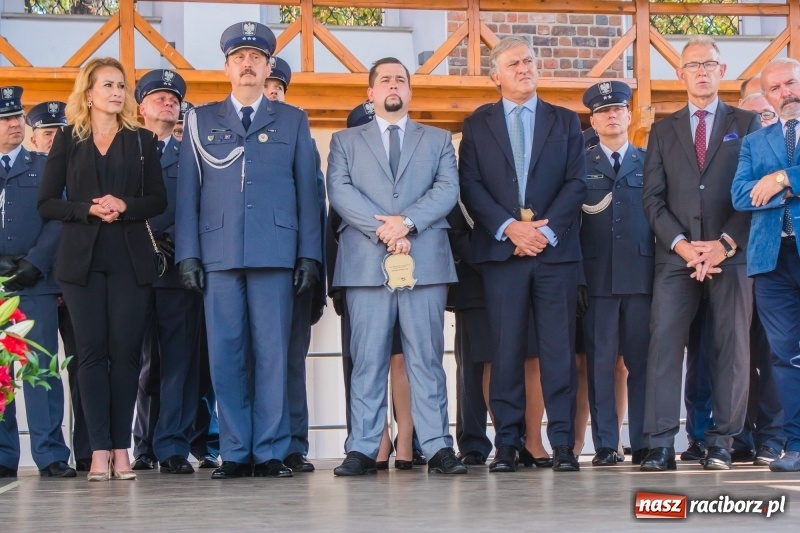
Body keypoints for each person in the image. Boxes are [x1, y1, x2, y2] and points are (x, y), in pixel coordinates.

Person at [175, 21, 321, 479]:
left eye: (256, 58)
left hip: (276, 252)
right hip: (218, 255)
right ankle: (237, 452)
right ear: (226, 67)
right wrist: (188, 254)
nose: (248, 64)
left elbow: (307, 192)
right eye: (239, 57)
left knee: (274, 354)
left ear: (268, 67)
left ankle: (272, 450)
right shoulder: (201, 120)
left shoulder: (292, 118)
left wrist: (309, 255)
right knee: (226, 353)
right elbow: (188, 194)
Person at [327, 57, 463, 476]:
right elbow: (340, 190)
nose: (393, 85)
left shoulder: (438, 139)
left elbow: (447, 189)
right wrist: (384, 230)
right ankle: (364, 448)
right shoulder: (344, 141)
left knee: (425, 357)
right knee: (367, 359)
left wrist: (406, 223)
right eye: (383, 78)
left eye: (400, 80)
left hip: (424, 261)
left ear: (409, 91)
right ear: (370, 92)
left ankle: (438, 444)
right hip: (366, 262)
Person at [459, 35, 586, 473]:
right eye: (514, 63)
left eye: (529, 61)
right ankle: (508, 444)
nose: (524, 68)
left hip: (554, 253)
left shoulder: (566, 121)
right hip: (502, 254)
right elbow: (471, 186)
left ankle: (564, 444)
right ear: (496, 76)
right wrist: (510, 228)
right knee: (506, 350)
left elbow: (576, 184)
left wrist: (542, 233)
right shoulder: (477, 125)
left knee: (557, 351)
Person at [37, 57, 168, 481]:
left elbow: (158, 201)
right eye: (107, 85)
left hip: (130, 260)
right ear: (88, 93)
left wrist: (125, 204)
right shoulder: (68, 141)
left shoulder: (143, 141)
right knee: (90, 357)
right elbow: (47, 202)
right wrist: (88, 208)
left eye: (120, 86)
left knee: (126, 356)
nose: (116, 92)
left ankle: (121, 449)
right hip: (81, 263)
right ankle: (97, 452)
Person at [640, 35, 760, 472]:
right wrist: (685, 245)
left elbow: (755, 194)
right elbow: (652, 199)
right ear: (681, 74)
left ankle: (723, 442)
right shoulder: (663, 129)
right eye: (693, 65)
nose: (702, 71)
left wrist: (725, 243)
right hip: (678, 257)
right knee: (665, 345)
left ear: (722, 71)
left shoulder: (748, 124)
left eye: (709, 63)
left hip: (732, 254)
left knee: (732, 348)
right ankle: (659, 444)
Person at [129, 69, 204, 475]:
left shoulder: (189, 153)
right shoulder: (127, 151)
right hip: (134, 271)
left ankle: (173, 444)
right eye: (158, 97)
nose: (168, 103)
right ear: (141, 107)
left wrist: (176, 238)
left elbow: (202, 204)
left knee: (179, 362)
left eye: (173, 98)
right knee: (142, 363)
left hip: (177, 271)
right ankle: (142, 444)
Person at [0, 87, 74, 479]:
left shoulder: (44, 166)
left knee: (41, 368)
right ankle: (2, 453)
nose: (14, 123)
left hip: (35, 282)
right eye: (6, 118)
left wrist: (36, 262)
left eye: (16, 117)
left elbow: (60, 217)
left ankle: (50, 453)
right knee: (0, 374)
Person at [731, 58, 800, 472]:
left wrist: (780, 180)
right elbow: (740, 196)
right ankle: (795, 444)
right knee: (783, 356)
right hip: (771, 262)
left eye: (790, 83)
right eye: (775, 89)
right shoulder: (755, 142)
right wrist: (783, 187)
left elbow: (760, 188)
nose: (785, 93)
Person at [579, 81, 652, 466]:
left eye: (618, 109)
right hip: (598, 280)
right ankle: (606, 443)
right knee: (601, 364)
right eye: (603, 111)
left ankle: (642, 441)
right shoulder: (581, 164)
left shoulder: (649, 161)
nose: (611, 116)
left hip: (641, 278)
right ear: (593, 120)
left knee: (642, 363)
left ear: (628, 115)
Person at [261, 56, 327, 473]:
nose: (271, 93)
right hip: (250, 267)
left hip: (292, 270)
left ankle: (293, 444)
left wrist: (313, 269)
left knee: (289, 362)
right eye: (267, 86)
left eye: (278, 88)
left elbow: (314, 207)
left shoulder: (297, 132)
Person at [26, 100, 93, 473]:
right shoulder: (30, 174)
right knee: (42, 369)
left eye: (60, 132)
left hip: (77, 284)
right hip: (37, 285)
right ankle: (50, 453)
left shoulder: (82, 170)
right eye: (48, 133)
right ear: (34, 137)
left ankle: (87, 449)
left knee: (86, 368)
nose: (55, 139)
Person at [729, 91, 785, 466]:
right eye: (750, 116)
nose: (758, 121)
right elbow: (737, 197)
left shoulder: (786, 149)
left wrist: (779, 182)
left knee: (774, 352)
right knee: (735, 356)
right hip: (734, 264)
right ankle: (739, 437)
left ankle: (772, 437)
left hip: (775, 264)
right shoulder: (742, 152)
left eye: (764, 114)